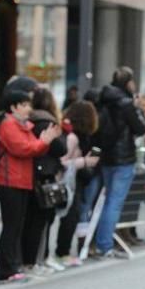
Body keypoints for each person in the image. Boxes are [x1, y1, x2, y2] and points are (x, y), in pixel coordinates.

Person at [0, 90, 61, 283]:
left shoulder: (23, 125)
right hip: (9, 181)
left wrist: (43, 142)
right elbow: (23, 148)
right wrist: (44, 140)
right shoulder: (8, 125)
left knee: (17, 226)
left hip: (21, 180)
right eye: (24, 105)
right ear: (13, 107)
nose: (29, 109)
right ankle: (6, 269)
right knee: (11, 226)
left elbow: (34, 147)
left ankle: (14, 265)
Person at [87, 67, 145, 258]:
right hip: (123, 158)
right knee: (114, 203)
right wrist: (138, 108)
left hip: (105, 157)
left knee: (107, 201)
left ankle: (98, 242)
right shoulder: (126, 103)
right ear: (128, 83)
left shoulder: (102, 100)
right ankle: (105, 244)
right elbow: (140, 128)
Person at [22, 88, 67, 275]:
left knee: (31, 221)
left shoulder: (28, 120)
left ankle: (32, 260)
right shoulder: (47, 122)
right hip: (45, 174)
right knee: (41, 221)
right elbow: (60, 148)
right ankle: (34, 261)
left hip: (31, 173)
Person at [55, 101, 100, 267]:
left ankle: (63, 252)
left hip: (72, 181)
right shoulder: (72, 137)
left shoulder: (74, 135)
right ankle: (62, 252)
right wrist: (85, 161)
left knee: (71, 216)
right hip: (67, 182)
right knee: (70, 216)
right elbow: (62, 162)